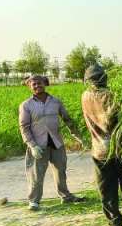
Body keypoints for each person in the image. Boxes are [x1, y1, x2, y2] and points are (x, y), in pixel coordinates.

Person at [81, 64, 122, 226]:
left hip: (99, 150)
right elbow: (113, 119)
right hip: (121, 148)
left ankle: (115, 223)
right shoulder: (111, 95)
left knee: (107, 188)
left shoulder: (85, 96)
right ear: (104, 78)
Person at [18, 75, 85, 211]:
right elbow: (24, 127)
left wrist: (77, 136)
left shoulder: (55, 102)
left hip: (55, 141)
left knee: (60, 170)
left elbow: (67, 119)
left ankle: (65, 196)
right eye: (34, 84)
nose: (37, 86)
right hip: (38, 144)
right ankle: (34, 201)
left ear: (45, 84)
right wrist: (32, 145)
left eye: (39, 83)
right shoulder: (26, 105)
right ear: (29, 87)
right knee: (36, 174)